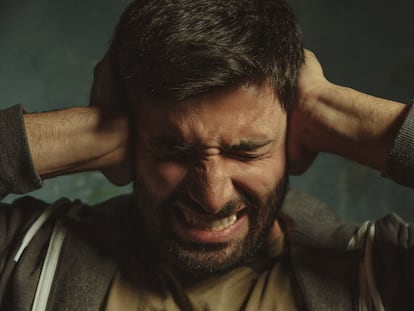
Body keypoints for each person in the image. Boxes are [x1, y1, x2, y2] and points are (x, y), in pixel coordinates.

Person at [0, 0, 413, 310]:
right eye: (173, 149)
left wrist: (332, 109)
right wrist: (93, 129)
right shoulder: (25, 258)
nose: (212, 196)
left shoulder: (384, 274)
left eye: (247, 152)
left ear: (294, 143)